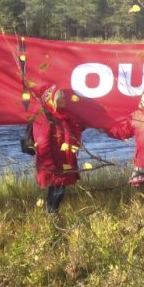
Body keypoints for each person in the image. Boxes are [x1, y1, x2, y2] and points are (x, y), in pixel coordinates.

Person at [28, 84, 84, 213]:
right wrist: (50, 166)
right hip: (53, 163)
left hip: (63, 160)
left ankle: (53, 215)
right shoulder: (44, 119)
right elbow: (43, 144)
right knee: (56, 190)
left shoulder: (62, 116)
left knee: (60, 190)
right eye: (60, 99)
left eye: (63, 98)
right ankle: (52, 216)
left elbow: (69, 133)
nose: (64, 101)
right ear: (52, 101)